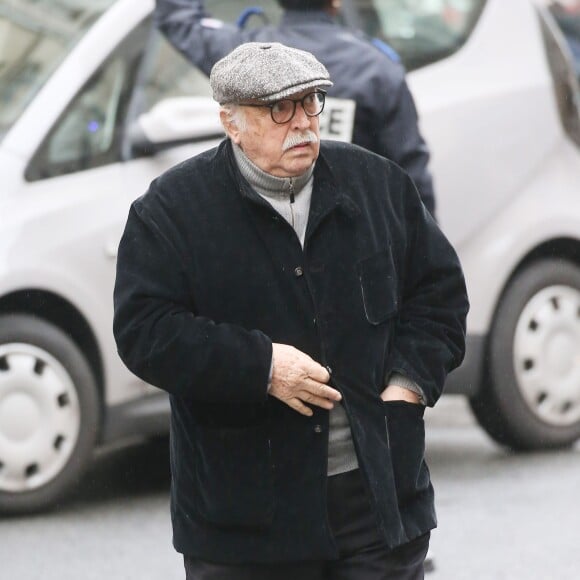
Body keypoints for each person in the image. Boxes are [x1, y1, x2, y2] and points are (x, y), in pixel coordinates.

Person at [113, 42, 468, 579]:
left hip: (378, 501)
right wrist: (262, 367)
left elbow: (438, 294)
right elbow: (145, 332)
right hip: (245, 524)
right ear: (231, 123)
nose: (302, 123)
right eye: (280, 109)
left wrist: (409, 385)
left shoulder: (377, 186)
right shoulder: (170, 212)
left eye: (310, 103)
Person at [154, 0, 437, 217]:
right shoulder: (377, 67)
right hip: (361, 235)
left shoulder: (242, 57)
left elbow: (179, 20)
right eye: (279, 107)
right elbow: (411, 176)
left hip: (262, 234)